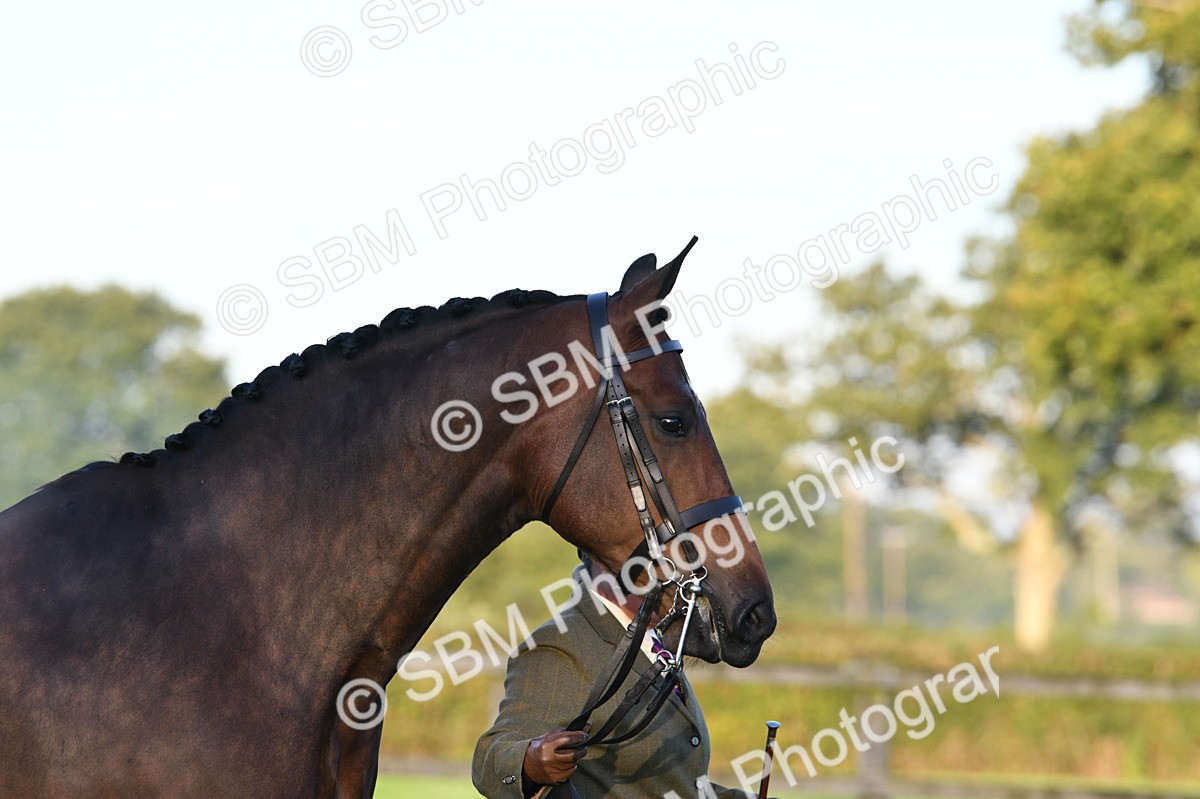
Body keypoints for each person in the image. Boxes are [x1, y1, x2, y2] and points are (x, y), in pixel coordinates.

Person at [472, 553, 756, 798]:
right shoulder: (560, 644)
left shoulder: (654, 638)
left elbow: (673, 786)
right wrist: (530, 764)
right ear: (602, 558)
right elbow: (488, 767)